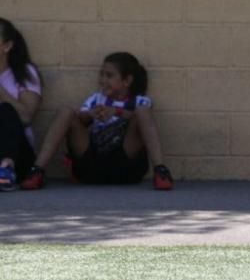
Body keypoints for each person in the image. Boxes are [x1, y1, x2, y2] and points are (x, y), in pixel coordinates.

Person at [21, 52, 174, 191]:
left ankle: (160, 171)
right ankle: (37, 170)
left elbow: (144, 119)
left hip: (125, 163)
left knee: (142, 112)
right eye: (101, 75)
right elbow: (80, 118)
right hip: (92, 162)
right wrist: (90, 115)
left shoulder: (140, 100)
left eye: (109, 75)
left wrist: (117, 111)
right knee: (66, 111)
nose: (103, 80)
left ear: (127, 81)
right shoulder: (96, 99)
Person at [0, 18, 43, 191]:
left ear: (7, 46)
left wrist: (3, 94)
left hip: (19, 154)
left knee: (6, 110)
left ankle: (6, 168)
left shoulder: (24, 73)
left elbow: (26, 118)